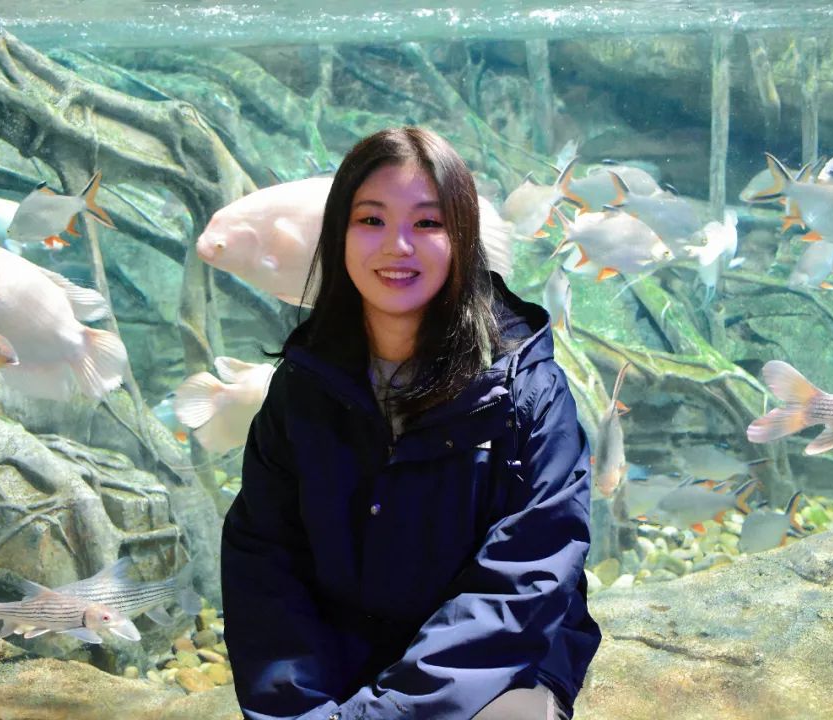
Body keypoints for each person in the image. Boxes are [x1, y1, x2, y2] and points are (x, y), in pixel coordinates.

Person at [221, 126, 600, 720]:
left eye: (427, 223)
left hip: (499, 670)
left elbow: (526, 580)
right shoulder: (303, 386)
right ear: (339, 234)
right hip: (344, 661)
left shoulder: (527, 390)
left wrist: (388, 713)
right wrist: (300, 710)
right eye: (371, 220)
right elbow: (263, 563)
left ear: (463, 237)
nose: (397, 246)